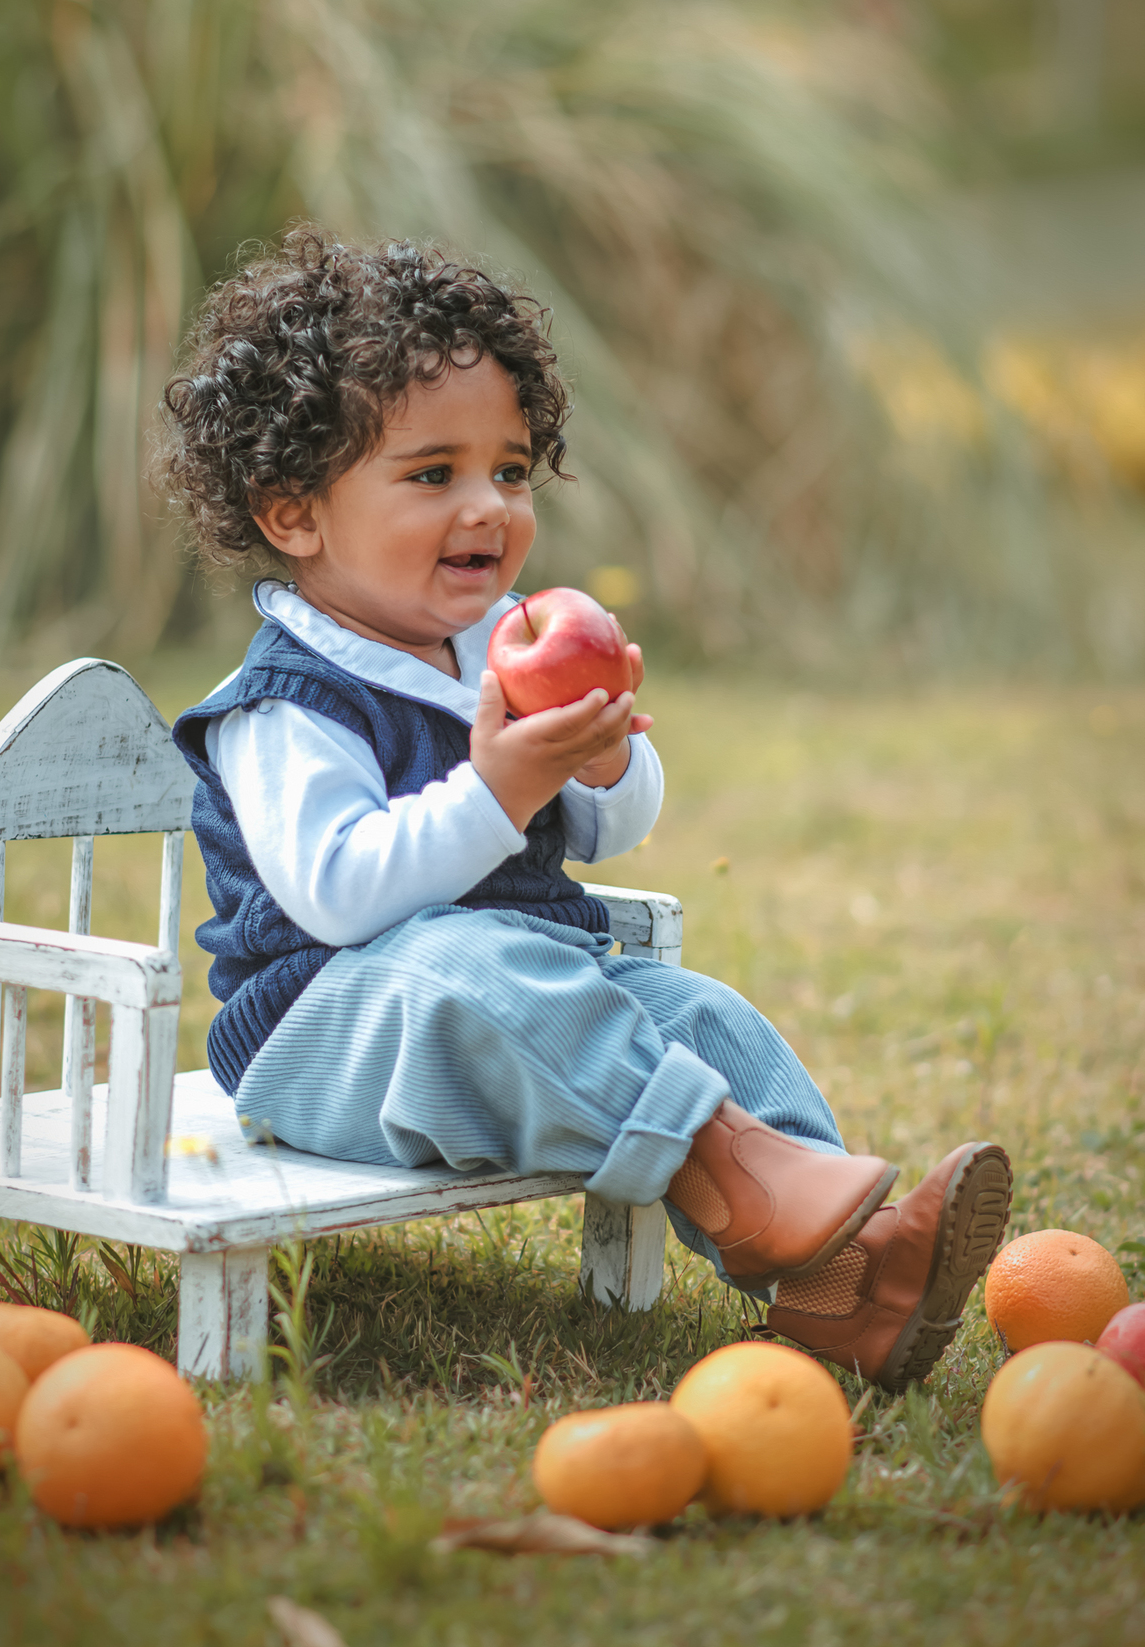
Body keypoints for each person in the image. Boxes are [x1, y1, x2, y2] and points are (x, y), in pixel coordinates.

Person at [161, 224, 1012, 1392]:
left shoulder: (495, 653)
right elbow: (343, 897)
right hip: (328, 1037)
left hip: (516, 991)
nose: (490, 509)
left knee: (696, 1010)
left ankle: (850, 1275)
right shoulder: (283, 706)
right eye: (432, 474)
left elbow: (611, 830)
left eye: (510, 470)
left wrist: (600, 764)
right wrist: (505, 780)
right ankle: (751, 1193)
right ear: (293, 513)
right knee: (466, 971)